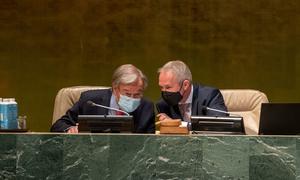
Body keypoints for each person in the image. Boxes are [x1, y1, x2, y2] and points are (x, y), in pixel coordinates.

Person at [51, 64, 155, 133]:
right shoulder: (90, 101)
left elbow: (150, 143)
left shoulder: (146, 107)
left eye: (137, 94)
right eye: (127, 94)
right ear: (115, 88)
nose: (132, 98)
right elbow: (58, 126)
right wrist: (71, 129)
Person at [156, 60, 227, 123]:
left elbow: (218, 124)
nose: (164, 92)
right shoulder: (163, 104)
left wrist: (178, 125)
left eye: (168, 87)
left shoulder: (210, 96)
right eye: (161, 87)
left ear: (185, 85)